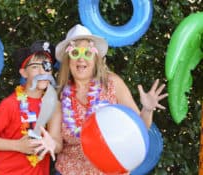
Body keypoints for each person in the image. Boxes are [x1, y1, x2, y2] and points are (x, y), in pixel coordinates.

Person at [46, 24, 168, 175]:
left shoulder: (112, 83)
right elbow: (56, 141)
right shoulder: (58, 97)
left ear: (95, 58)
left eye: (87, 53)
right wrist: (51, 144)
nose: (81, 59)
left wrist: (148, 109)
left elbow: (141, 127)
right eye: (75, 53)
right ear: (68, 60)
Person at [0, 40, 62, 175]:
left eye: (46, 66)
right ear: (24, 73)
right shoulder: (10, 104)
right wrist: (18, 146)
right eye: (35, 67)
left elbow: (57, 144)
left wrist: (52, 144)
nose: (42, 72)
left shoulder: (54, 105)